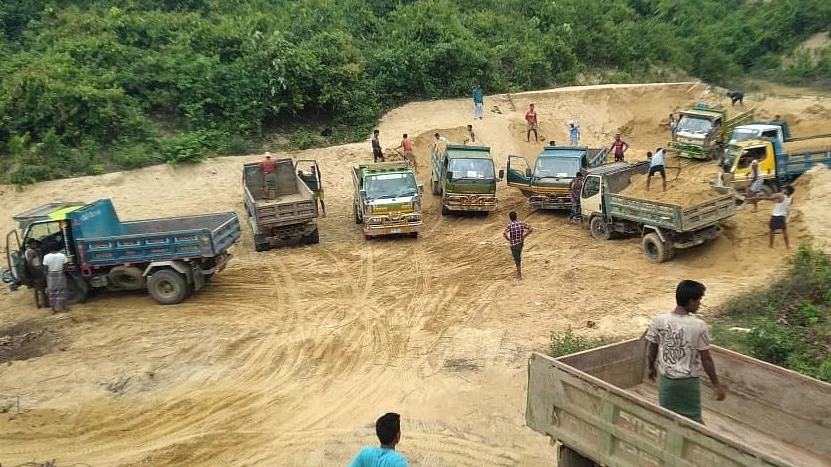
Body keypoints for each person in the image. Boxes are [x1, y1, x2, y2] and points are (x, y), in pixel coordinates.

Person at [645, 280, 726, 424]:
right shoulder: (698, 326)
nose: (699, 304)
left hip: (666, 381)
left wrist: (651, 367)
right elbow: (706, 358)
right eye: (698, 300)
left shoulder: (660, 320)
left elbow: (653, 348)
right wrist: (716, 385)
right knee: (694, 421)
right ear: (690, 301)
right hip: (687, 383)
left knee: (668, 419)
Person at [503, 211, 533, 280]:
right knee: (518, 256)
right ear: (516, 216)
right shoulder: (521, 223)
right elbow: (530, 228)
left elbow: (504, 234)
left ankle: (519, 275)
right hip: (520, 243)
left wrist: (508, 239)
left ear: (510, 218)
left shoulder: (509, 225)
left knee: (517, 259)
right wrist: (524, 236)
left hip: (513, 244)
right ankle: (518, 272)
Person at [42, 245, 70, 313]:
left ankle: (53, 309)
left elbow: (45, 269)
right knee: (62, 291)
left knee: (52, 292)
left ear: (49, 249)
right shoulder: (62, 255)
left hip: (51, 276)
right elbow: (66, 267)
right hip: (61, 274)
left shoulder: (46, 257)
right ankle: (64, 308)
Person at [24, 239, 48, 309]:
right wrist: (37, 271)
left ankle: (38, 305)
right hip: (36, 272)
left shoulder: (28, 251)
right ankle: (44, 304)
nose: (35, 245)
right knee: (42, 289)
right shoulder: (30, 251)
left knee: (36, 289)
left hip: (34, 272)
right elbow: (29, 263)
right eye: (33, 244)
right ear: (30, 245)